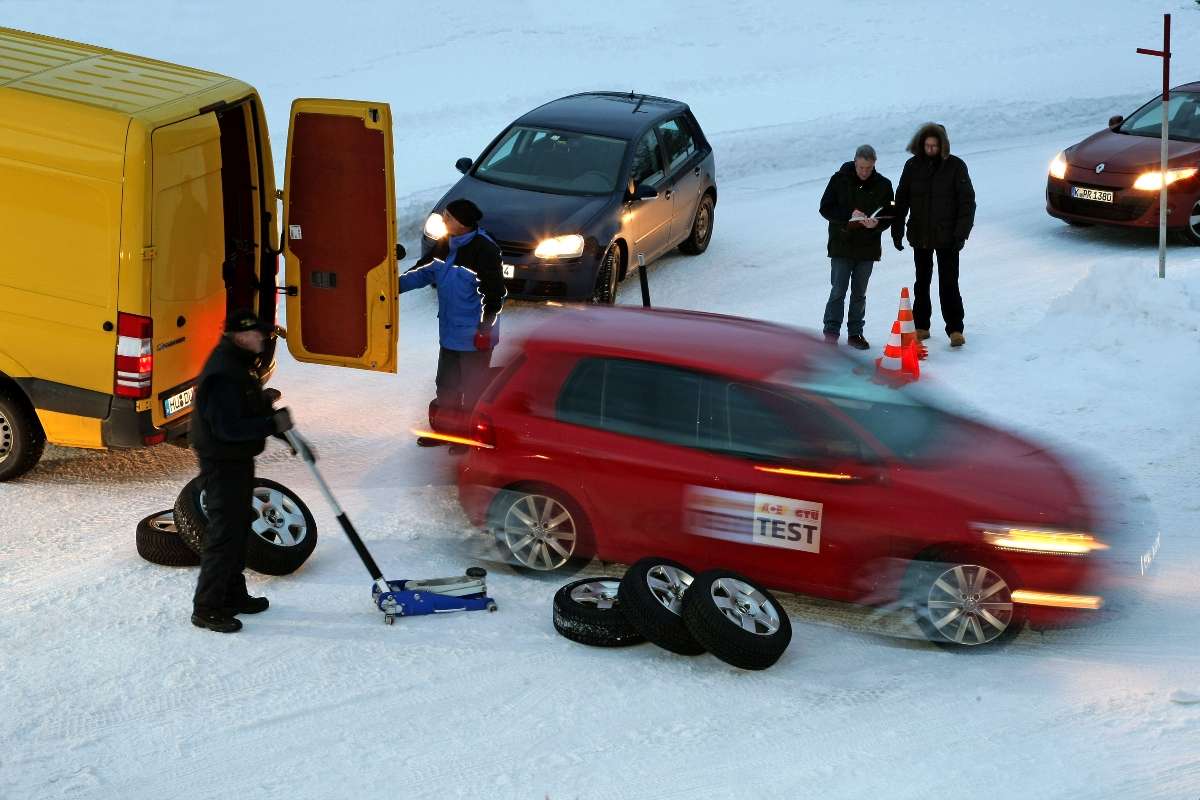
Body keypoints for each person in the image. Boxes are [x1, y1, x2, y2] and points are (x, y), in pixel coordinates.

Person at [189, 309, 294, 633]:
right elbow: (228, 428)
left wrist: (274, 423)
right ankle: (207, 608)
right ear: (240, 336)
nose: (263, 338)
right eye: (257, 333)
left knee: (236, 529)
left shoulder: (238, 363)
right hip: (222, 462)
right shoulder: (224, 373)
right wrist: (269, 424)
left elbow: (245, 405)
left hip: (236, 459)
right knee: (223, 534)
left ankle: (233, 595)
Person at [401, 198, 505, 451]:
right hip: (449, 333)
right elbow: (423, 271)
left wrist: (485, 328)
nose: (443, 220)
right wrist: (391, 287)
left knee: (472, 390)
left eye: (448, 217)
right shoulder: (445, 244)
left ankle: (469, 437)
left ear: (463, 222)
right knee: (446, 385)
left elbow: (493, 294)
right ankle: (446, 432)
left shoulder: (484, 250)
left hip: (475, 336)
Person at [892, 122, 976, 347]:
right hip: (920, 235)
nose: (930, 149)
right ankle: (922, 326)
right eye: (927, 145)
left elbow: (967, 203)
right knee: (922, 282)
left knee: (949, 283)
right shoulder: (912, 166)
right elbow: (901, 200)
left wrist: (961, 234)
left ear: (943, 145)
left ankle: (955, 329)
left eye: (934, 146)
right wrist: (897, 230)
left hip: (948, 237)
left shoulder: (956, 166)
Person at [819, 144, 894, 349]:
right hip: (842, 244)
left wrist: (878, 223)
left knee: (859, 293)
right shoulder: (839, 179)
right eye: (861, 167)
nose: (864, 172)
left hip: (867, 248)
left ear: (874, 165)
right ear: (855, 162)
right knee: (838, 291)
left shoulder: (884, 185)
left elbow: (891, 212)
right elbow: (825, 208)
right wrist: (848, 216)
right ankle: (831, 333)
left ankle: (855, 333)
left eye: (868, 168)